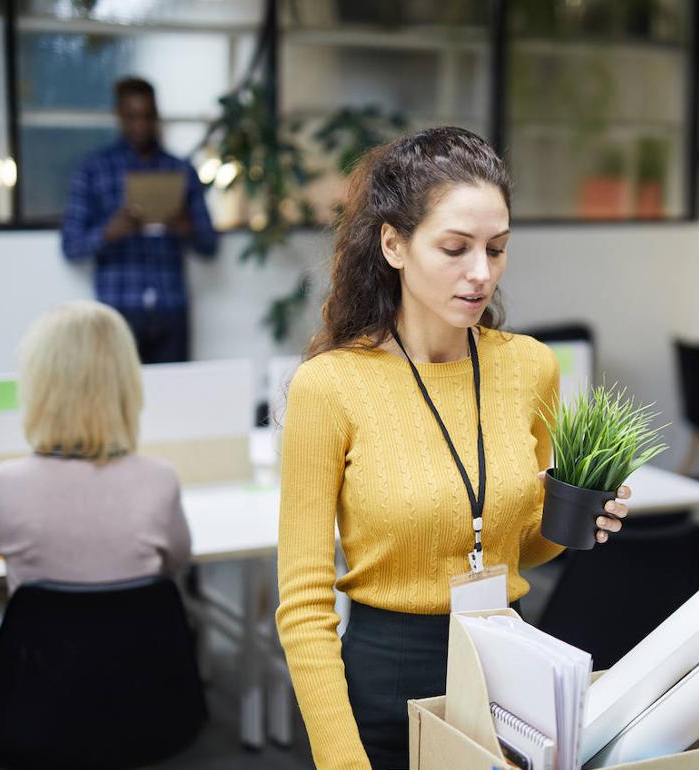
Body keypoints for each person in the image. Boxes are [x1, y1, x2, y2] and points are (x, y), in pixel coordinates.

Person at [275, 127, 631, 770]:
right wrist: (342, 761)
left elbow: (519, 546)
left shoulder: (530, 367)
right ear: (394, 244)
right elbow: (303, 606)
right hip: (386, 688)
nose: (481, 273)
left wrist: (575, 519)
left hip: (511, 678)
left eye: (497, 249)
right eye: (455, 248)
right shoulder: (330, 386)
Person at [0, 300, 191, 594]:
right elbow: (179, 558)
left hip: (37, 627)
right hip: (140, 626)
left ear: (39, 385)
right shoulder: (160, 479)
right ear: (127, 384)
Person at [60, 76, 218, 364]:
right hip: (118, 308)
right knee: (117, 390)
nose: (141, 125)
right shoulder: (93, 169)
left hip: (171, 307)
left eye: (148, 116)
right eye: (132, 117)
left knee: (175, 388)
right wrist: (109, 232)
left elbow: (210, 245)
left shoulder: (180, 169)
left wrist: (186, 227)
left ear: (156, 116)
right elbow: (71, 246)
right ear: (119, 116)